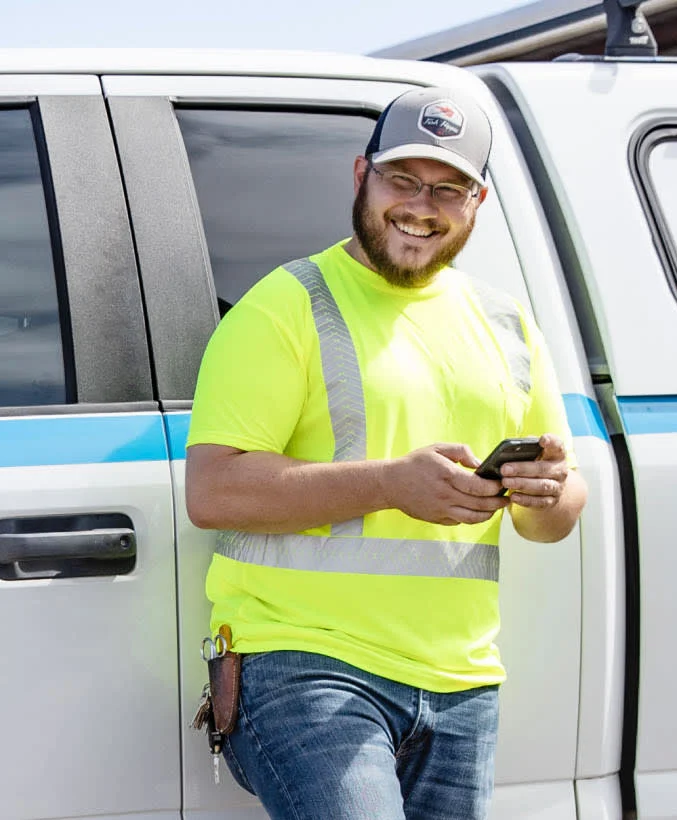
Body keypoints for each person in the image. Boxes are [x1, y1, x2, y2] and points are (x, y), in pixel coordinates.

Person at [184, 87, 589, 820]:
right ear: (360, 175)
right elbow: (214, 491)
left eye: (447, 188)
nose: (420, 205)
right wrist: (391, 484)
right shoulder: (285, 304)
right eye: (402, 179)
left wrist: (550, 491)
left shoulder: (506, 322)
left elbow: (554, 516)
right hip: (304, 665)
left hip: (462, 680)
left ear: (477, 202)